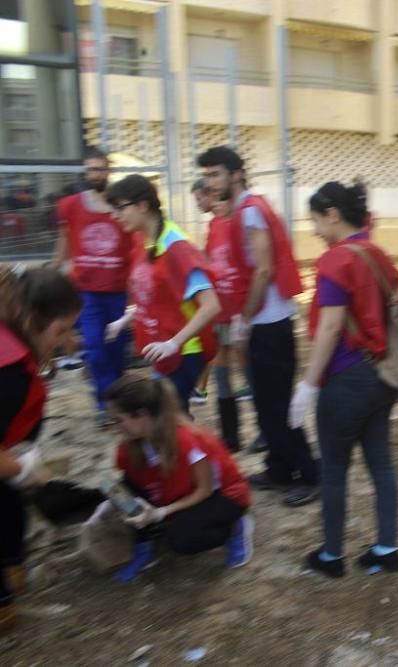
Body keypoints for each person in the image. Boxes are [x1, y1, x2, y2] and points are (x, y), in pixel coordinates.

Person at [290, 181, 398, 578]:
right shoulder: (375, 251)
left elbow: (330, 328)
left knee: (334, 470)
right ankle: (387, 548)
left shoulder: (335, 261)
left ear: (333, 214)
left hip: (344, 377)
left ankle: (332, 555)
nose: (315, 230)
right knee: (381, 464)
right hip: (382, 373)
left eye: (316, 220)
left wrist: (307, 384)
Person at [197, 146, 317, 507]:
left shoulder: (250, 213)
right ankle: (278, 467)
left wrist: (243, 319)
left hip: (269, 323)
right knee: (266, 405)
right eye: (207, 176)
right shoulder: (240, 212)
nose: (211, 182)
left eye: (216, 174)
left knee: (275, 405)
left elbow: (263, 270)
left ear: (236, 174)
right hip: (261, 321)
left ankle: (309, 475)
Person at [105, 376, 253, 583]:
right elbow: (133, 483)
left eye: (119, 420)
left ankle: (234, 528)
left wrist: (161, 512)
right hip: (179, 492)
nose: (115, 426)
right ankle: (145, 546)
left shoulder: (187, 441)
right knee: (124, 490)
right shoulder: (131, 445)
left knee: (181, 540)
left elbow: (205, 490)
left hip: (223, 495)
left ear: (141, 415)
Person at [0, 266, 81, 632]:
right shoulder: (10, 372)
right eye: (60, 330)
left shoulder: (12, 342)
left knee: (8, 498)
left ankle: (13, 567)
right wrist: (21, 468)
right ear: (32, 319)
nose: (66, 342)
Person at [104, 175, 221, 413]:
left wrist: (173, 343)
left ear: (142, 206)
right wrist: (126, 318)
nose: (114, 215)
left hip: (185, 352)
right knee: (171, 421)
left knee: (171, 421)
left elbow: (211, 305)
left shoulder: (176, 248)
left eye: (120, 207)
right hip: (164, 349)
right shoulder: (145, 241)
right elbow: (157, 294)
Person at [52, 146, 136, 425]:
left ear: (108, 171)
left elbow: (136, 241)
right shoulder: (71, 205)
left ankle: (117, 402)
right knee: (95, 348)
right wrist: (56, 271)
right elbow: (64, 241)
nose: (94, 174)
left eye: (99, 168)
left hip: (119, 290)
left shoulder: (122, 206)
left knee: (116, 351)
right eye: (90, 169)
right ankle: (106, 405)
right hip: (87, 293)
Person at [193, 179, 243, 452]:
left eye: (199, 198)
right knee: (221, 366)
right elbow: (212, 260)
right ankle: (231, 435)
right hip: (220, 307)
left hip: (237, 308)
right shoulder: (213, 225)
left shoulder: (236, 222)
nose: (198, 204)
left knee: (246, 366)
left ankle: (265, 433)